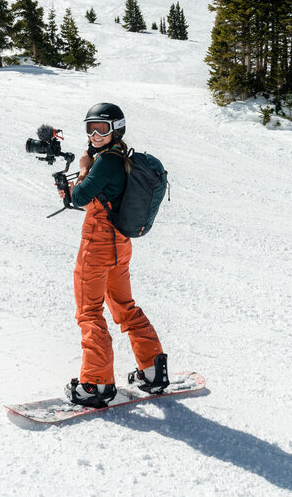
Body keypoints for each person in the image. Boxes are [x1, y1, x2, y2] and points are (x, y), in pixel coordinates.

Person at [58, 102, 169, 408]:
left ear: (116, 129)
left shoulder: (105, 161)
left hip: (97, 244)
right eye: (90, 128)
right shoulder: (121, 158)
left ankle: (96, 385)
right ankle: (151, 371)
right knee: (123, 305)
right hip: (120, 244)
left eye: (102, 128)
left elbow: (79, 197)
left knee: (89, 312)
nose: (94, 134)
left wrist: (82, 168)